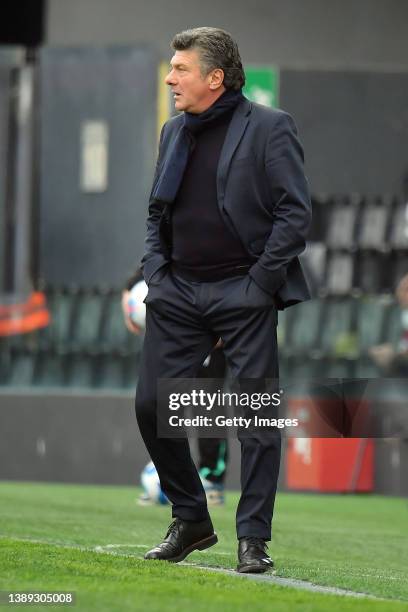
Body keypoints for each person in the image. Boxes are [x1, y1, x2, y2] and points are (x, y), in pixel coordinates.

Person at [135, 27, 311, 573]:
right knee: (151, 406)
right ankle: (191, 518)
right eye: (171, 68)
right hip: (178, 291)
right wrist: (157, 273)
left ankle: (252, 539)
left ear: (215, 78)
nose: (170, 78)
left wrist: (258, 284)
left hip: (244, 288)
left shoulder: (270, 127)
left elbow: (295, 213)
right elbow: (156, 213)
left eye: (180, 69)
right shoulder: (172, 131)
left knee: (256, 419)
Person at [122, 268, 229, 505]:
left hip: (210, 328)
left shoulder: (219, 242)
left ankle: (211, 480)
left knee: (207, 406)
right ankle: (173, 478)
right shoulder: (175, 238)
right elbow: (149, 262)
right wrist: (128, 291)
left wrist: (225, 325)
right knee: (167, 404)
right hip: (174, 330)